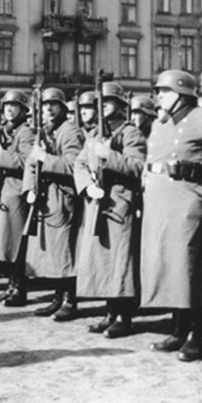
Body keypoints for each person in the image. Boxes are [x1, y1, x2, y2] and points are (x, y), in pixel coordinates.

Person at [140, 70, 202, 362]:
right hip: (160, 201)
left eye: (164, 91)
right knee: (170, 268)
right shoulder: (160, 123)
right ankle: (177, 330)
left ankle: (196, 336)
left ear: (181, 93)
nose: (159, 96)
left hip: (189, 200)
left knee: (191, 269)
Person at [75, 81, 146, 338]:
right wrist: (86, 186)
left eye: (108, 102)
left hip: (120, 203)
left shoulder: (130, 133)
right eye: (100, 102)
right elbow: (80, 163)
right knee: (104, 261)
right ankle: (110, 313)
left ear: (120, 104)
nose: (103, 106)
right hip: (98, 202)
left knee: (121, 261)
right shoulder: (95, 133)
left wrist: (109, 155)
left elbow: (138, 166)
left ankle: (124, 317)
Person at [22, 87, 84, 320]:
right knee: (52, 253)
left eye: (53, 104)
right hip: (46, 197)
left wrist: (45, 159)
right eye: (45, 105)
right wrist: (29, 188)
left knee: (65, 251)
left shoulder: (69, 131)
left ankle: (70, 299)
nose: (48, 108)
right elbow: (31, 163)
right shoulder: (45, 130)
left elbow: (74, 165)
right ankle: (58, 298)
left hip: (63, 197)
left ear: (63, 108)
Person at [0, 89, 35, 306]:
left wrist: (1, 156)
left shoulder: (26, 132)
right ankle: (11, 285)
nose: (9, 109)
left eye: (14, 106)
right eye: (6, 106)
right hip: (1, 192)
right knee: (5, 243)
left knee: (16, 244)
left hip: (17, 192)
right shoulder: (2, 131)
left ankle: (19, 289)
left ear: (23, 109)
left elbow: (26, 161)